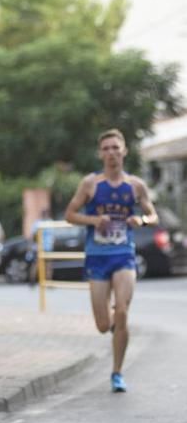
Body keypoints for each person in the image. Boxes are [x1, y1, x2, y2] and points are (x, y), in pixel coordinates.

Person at [64, 128, 158, 393]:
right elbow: (70, 214)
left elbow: (153, 216)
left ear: (124, 151)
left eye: (115, 147)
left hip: (123, 255)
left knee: (123, 311)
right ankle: (115, 326)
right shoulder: (90, 184)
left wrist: (140, 220)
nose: (111, 153)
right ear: (100, 154)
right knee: (103, 324)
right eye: (106, 148)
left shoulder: (135, 186)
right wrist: (95, 220)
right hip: (97, 257)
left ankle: (117, 372)